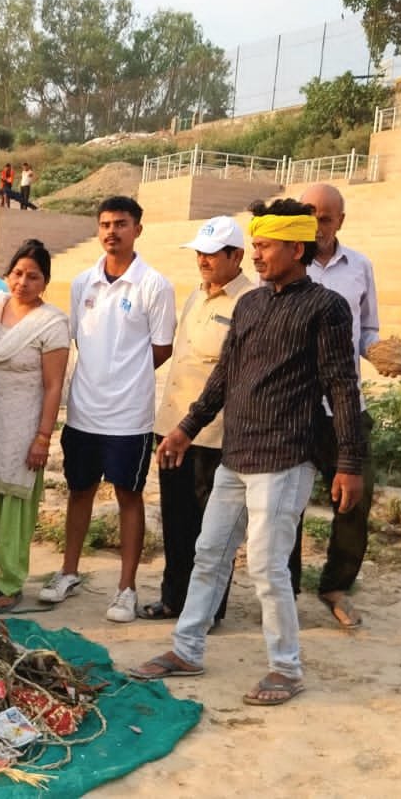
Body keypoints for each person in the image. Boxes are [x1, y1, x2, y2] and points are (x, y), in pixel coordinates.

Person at [132, 197, 367, 708]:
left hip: (286, 459)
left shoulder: (326, 308)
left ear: (296, 247)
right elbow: (224, 377)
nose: (256, 255)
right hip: (235, 454)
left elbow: (342, 387)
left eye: (264, 246)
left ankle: (286, 667)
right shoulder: (251, 304)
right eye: (254, 245)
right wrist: (185, 428)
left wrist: (348, 461)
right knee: (208, 553)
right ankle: (188, 648)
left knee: (265, 566)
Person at [41, 196, 175, 623]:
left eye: (120, 223)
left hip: (129, 417)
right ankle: (68, 572)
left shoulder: (155, 285)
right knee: (79, 492)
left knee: (128, 496)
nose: (111, 231)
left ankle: (126, 588)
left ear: (138, 228)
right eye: (104, 224)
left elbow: (162, 347)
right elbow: (80, 339)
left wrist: (125, 376)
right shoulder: (82, 283)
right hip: (83, 412)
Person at [140, 216, 252, 623]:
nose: (203, 261)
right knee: (176, 520)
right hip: (172, 429)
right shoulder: (194, 295)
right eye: (199, 253)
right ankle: (174, 599)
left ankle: (207, 610)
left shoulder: (250, 302)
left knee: (212, 532)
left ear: (236, 255)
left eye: (211, 254)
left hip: (213, 436)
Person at [0, 239, 68, 611]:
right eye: (18, 273)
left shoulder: (52, 322)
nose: (23, 282)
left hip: (22, 424)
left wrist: (42, 437)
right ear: (6, 275)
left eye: (33, 276)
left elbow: (53, 386)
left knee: (12, 504)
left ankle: (9, 583)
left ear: (45, 282)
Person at [299, 182, 380, 628]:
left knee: (355, 496)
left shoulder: (360, 267)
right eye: (309, 213)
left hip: (345, 407)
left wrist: (385, 353)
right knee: (284, 503)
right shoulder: (287, 264)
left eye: (326, 216)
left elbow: (366, 331)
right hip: (295, 407)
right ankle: (284, 585)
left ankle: (336, 584)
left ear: (341, 221)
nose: (317, 223)